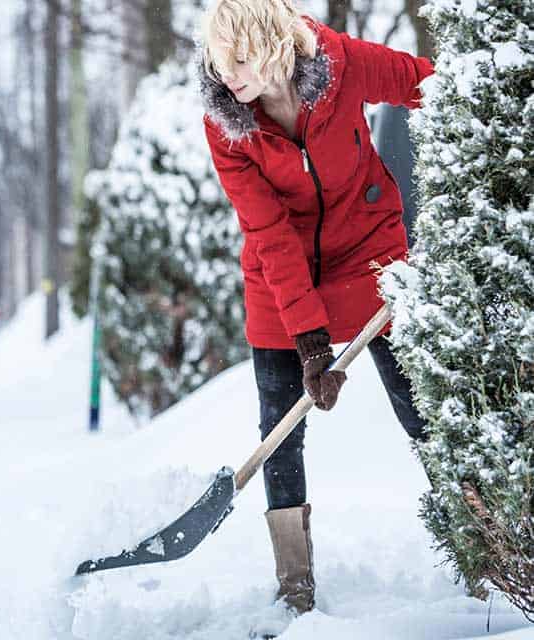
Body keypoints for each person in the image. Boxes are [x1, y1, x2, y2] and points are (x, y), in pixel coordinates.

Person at [198, 0, 434, 616]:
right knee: (280, 431)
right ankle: (294, 590)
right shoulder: (227, 122)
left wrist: (476, 141)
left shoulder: (342, 63)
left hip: (370, 253)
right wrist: (310, 341)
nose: (230, 78)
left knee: (422, 406)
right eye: (221, 66)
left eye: (241, 61)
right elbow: (268, 232)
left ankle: (484, 543)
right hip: (281, 278)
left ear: (275, 44)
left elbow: (424, 83)